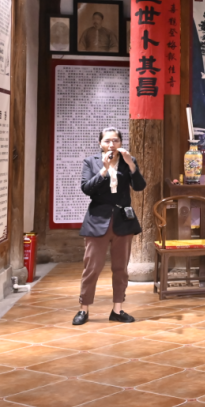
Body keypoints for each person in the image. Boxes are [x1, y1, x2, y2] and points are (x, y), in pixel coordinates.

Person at [74, 126, 146, 326]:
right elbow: (87, 189)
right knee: (92, 267)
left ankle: (117, 309)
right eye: (107, 141)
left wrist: (131, 165)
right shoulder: (91, 162)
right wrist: (104, 169)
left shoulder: (128, 161)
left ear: (121, 142)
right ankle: (84, 308)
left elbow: (140, 186)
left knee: (121, 268)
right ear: (100, 143)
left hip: (123, 221)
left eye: (115, 140)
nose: (111, 144)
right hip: (97, 220)